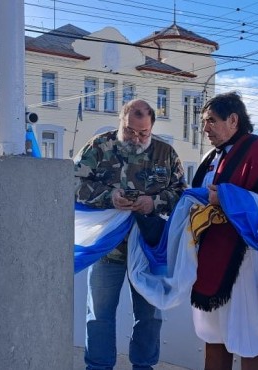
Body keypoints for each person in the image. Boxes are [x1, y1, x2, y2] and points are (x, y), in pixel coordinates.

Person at [74, 99, 186, 370]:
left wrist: (153, 202)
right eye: (130, 131)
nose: (136, 138)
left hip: (148, 249)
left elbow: (181, 192)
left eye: (143, 133)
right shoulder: (99, 147)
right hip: (107, 247)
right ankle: (98, 367)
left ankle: (144, 366)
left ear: (152, 128)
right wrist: (108, 196)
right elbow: (73, 181)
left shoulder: (165, 153)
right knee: (99, 315)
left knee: (149, 316)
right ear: (121, 123)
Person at [191, 92, 258, 370]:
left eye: (211, 120)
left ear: (233, 120)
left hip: (246, 259)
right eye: (203, 121)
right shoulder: (211, 156)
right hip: (210, 255)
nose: (205, 128)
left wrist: (227, 197)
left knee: (248, 333)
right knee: (213, 333)